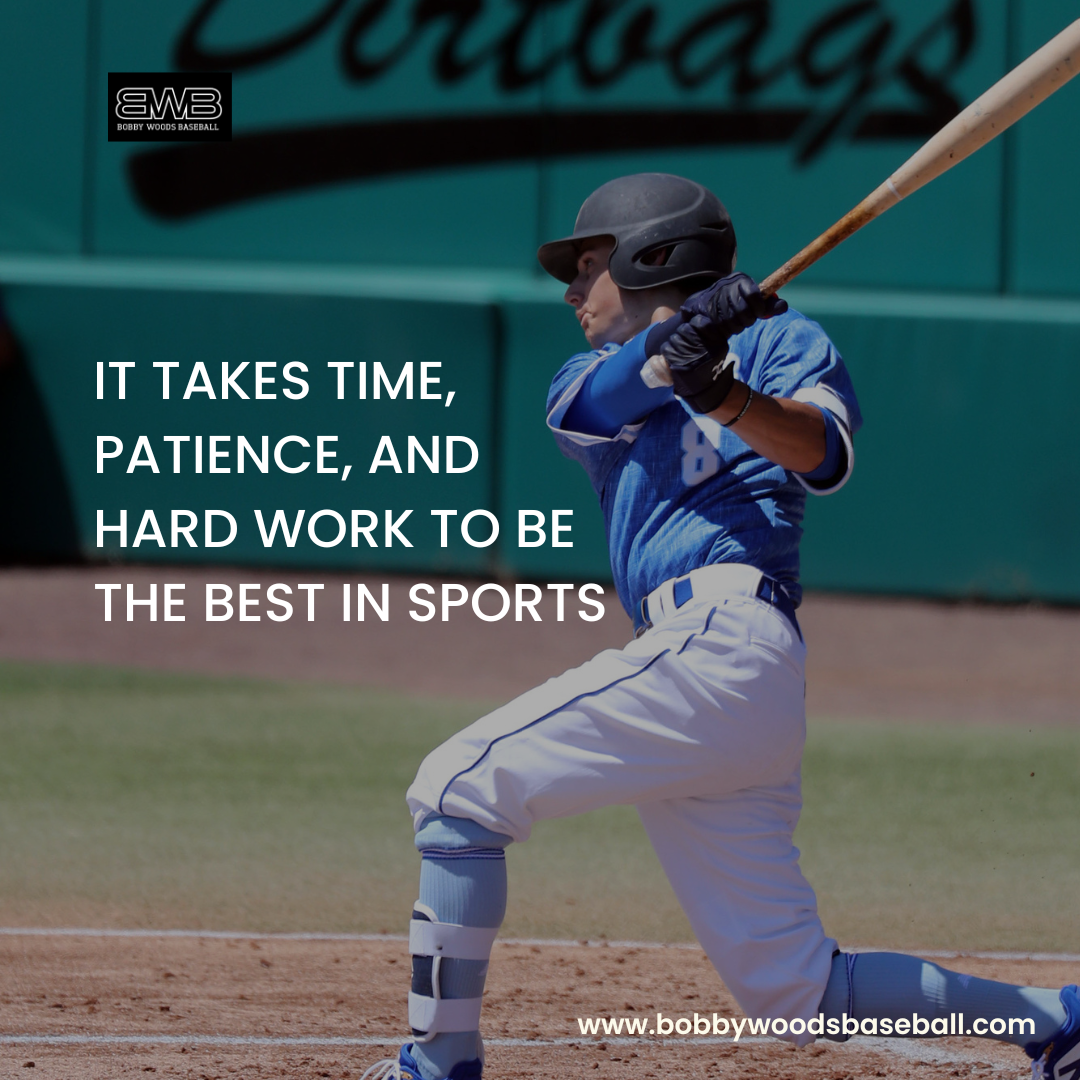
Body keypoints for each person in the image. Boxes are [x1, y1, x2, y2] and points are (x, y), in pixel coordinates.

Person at [361, 173, 1079, 1080]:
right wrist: (678, 348)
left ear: (651, 254)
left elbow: (823, 455)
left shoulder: (782, 339)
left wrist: (725, 392)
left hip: (727, 640)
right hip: (711, 677)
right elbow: (600, 403)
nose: (572, 290)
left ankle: (437, 1063)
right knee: (797, 991)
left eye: (588, 264)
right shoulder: (584, 374)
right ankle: (1060, 1022)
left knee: (456, 789)